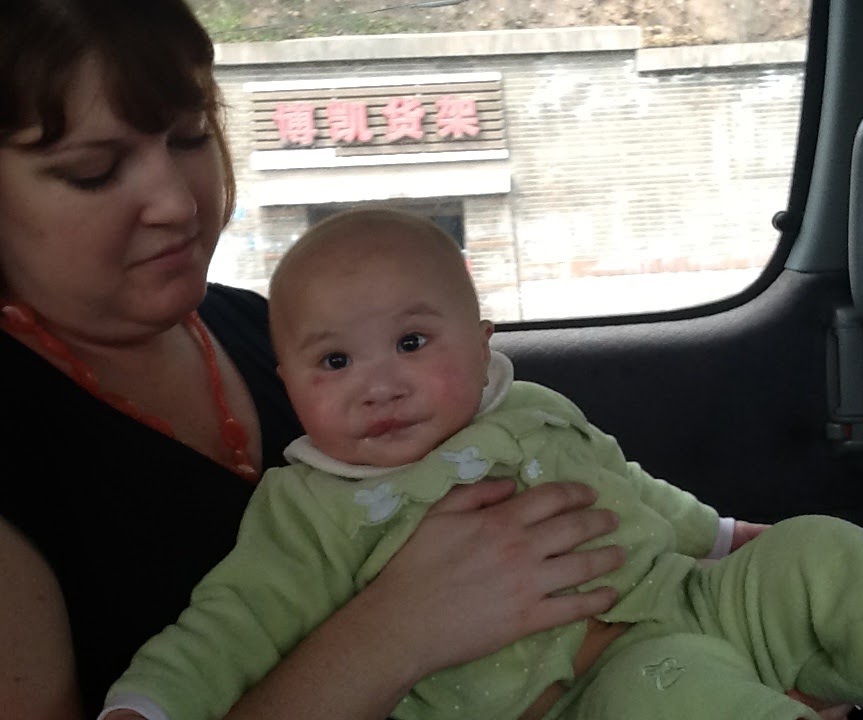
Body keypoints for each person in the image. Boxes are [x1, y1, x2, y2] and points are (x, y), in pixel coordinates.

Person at [0, 3, 632, 720]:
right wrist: (396, 632)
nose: (176, 202)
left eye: (191, 137)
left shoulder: (270, 329)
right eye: (93, 171)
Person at [102, 207, 863, 720]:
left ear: (482, 345)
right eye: (334, 362)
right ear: (288, 386)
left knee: (814, 551)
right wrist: (149, 704)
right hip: (578, 695)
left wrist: (728, 537)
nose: (380, 385)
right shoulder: (308, 506)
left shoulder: (534, 408)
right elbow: (231, 625)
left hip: (686, 600)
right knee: (672, 691)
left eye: (411, 342)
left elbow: (627, 485)